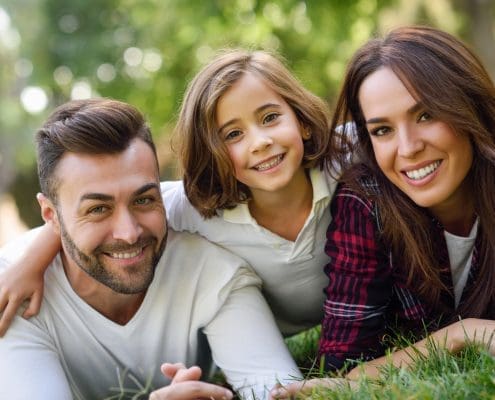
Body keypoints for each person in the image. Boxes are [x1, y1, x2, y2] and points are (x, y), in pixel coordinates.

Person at [0, 49, 338, 337]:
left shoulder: (347, 162)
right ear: (210, 152)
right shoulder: (193, 209)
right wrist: (30, 263)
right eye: (233, 134)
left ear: (302, 120)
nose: (260, 142)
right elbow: (99, 209)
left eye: (270, 117)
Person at [0, 98, 301, 400]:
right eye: (98, 209)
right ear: (51, 215)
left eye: (143, 200)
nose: (129, 233)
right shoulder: (12, 292)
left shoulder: (213, 272)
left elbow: (278, 391)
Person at [270, 25, 495, 399]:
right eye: (383, 130)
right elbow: (341, 368)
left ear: (465, 105)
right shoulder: (366, 202)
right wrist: (463, 331)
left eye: (426, 115)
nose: (407, 148)